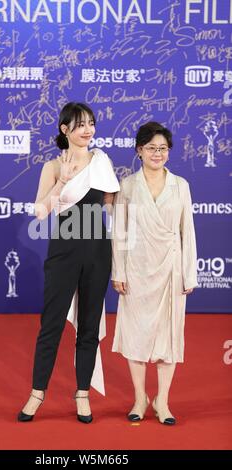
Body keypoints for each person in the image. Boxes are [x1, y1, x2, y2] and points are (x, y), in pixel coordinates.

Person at [18, 102, 119, 423]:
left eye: (91, 123)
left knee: (89, 326)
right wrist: (62, 181)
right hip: (63, 251)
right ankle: (37, 394)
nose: (88, 130)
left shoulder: (102, 161)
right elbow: (39, 212)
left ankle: (83, 394)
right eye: (80, 125)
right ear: (65, 130)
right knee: (51, 326)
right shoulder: (52, 166)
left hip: (98, 250)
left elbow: (111, 204)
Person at [111, 122, 197, 425]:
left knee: (169, 338)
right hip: (136, 269)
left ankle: (163, 401)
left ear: (169, 152)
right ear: (139, 151)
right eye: (151, 148)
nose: (157, 153)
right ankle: (139, 398)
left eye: (162, 148)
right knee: (136, 335)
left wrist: (190, 273)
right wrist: (118, 271)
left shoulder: (181, 186)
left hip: (171, 270)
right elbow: (119, 232)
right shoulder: (128, 186)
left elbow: (188, 232)